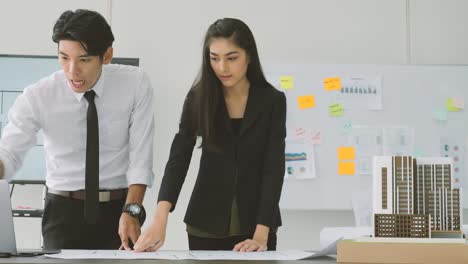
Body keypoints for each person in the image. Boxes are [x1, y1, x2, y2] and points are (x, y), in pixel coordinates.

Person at [0, 9, 154, 250]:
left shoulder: (135, 84)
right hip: (62, 212)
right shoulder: (39, 95)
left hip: (120, 211)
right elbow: (8, 153)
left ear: (107, 55)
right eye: (64, 58)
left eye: (84, 60)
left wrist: (132, 210)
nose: (72, 71)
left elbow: (140, 158)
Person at [134, 18, 286, 252]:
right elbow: (179, 157)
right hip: (205, 221)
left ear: (249, 56)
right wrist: (160, 217)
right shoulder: (199, 97)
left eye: (231, 58)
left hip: (257, 224)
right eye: (214, 58)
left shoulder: (272, 101)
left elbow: (273, 167)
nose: (222, 67)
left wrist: (261, 234)